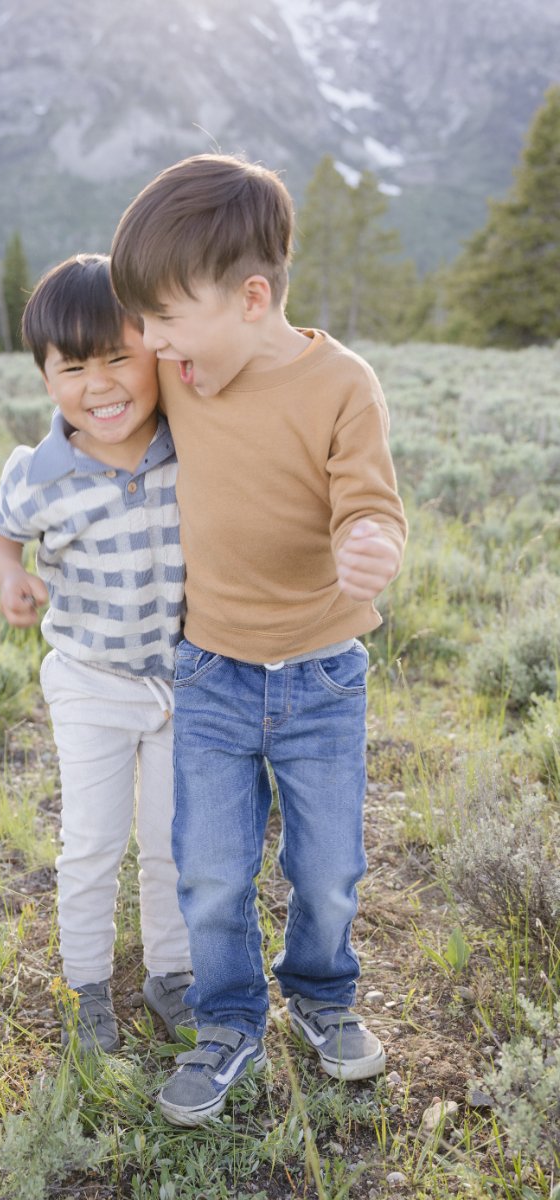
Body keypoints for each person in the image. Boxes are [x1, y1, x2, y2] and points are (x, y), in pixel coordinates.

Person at [110, 154, 407, 1125]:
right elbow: (100, 405)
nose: (152, 345)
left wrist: (367, 543)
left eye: (165, 320)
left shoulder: (341, 386)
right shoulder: (181, 369)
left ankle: (320, 996)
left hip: (322, 676)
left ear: (249, 298)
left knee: (326, 867)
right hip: (211, 674)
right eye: (143, 326)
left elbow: (370, 503)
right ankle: (227, 1021)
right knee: (210, 868)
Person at [0, 253, 193, 1054]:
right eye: (73, 368)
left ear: (158, 356)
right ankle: (87, 983)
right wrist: (10, 575)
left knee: (175, 842)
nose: (100, 385)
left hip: (180, 684)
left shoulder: (184, 441)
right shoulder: (42, 473)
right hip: (90, 682)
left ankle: (173, 974)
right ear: (46, 378)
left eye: (119, 358)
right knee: (94, 841)